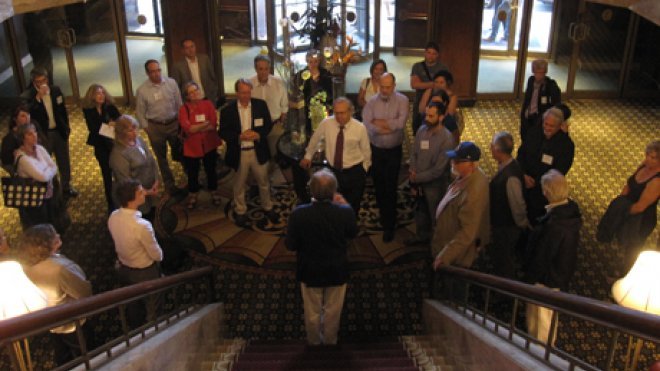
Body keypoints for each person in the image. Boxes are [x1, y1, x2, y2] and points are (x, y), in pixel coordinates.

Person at [285, 169, 358, 345]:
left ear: (311, 190)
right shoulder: (345, 212)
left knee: (312, 311)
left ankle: (314, 343)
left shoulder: (298, 214)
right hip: (337, 268)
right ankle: (330, 342)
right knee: (333, 311)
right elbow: (353, 233)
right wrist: (345, 205)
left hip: (309, 269)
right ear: (334, 191)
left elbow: (290, 245)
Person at [17, 223, 93, 364]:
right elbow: (84, 293)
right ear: (45, 245)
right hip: (71, 321)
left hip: (49, 319)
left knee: (61, 351)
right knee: (84, 350)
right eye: (54, 236)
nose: (58, 236)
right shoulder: (61, 269)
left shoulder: (25, 266)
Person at [524, 170, 582, 345]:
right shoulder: (569, 212)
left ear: (546, 192)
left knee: (542, 318)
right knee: (546, 316)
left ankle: (540, 352)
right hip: (559, 273)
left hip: (547, 279)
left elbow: (543, 256)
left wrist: (530, 277)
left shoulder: (555, 226)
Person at [219, 79, 276, 227]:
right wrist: (239, 137)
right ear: (237, 93)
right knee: (239, 185)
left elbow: (268, 125)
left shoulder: (260, 105)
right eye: (243, 92)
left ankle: (267, 206)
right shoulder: (228, 110)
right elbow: (223, 132)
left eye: (248, 92)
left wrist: (258, 135)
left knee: (263, 181)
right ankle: (241, 210)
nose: (246, 95)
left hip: (258, 151)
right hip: (240, 153)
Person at [301, 97, 371, 216]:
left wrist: (364, 169)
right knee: (333, 203)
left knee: (353, 204)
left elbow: (366, 151)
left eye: (342, 113)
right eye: (336, 113)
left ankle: (351, 226)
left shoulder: (360, 128)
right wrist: (308, 156)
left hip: (354, 171)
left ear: (350, 111)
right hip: (333, 171)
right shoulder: (326, 123)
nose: (339, 116)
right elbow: (315, 139)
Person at [108, 179, 164, 328]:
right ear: (132, 199)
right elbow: (155, 253)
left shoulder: (113, 216)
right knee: (153, 305)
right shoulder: (142, 226)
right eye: (140, 192)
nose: (144, 193)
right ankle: (154, 330)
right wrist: (160, 258)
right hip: (144, 271)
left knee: (133, 302)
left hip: (124, 266)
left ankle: (135, 329)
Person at [597, 140, 659, 273]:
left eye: (653, 157)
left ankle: (626, 275)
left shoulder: (657, 181)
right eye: (647, 154)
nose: (648, 159)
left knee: (632, 249)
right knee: (625, 243)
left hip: (641, 219)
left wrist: (620, 213)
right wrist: (619, 201)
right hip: (628, 210)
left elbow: (640, 207)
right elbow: (630, 184)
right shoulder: (644, 165)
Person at [362, 73, 409, 242]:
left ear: (394, 86)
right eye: (382, 86)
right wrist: (388, 125)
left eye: (388, 87)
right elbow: (367, 123)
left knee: (391, 187)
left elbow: (400, 124)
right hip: (376, 150)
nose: (385, 90)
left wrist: (380, 122)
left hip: (394, 151)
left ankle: (389, 224)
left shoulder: (403, 100)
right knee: (379, 185)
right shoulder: (372, 102)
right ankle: (384, 213)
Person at [432, 142, 490, 270]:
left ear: (471, 165)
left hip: (457, 256)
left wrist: (445, 256)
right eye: (453, 158)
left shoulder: (473, 192)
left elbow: (467, 233)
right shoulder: (467, 174)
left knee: (454, 286)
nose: (453, 162)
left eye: (458, 161)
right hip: (447, 237)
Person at [21, 67, 78, 197]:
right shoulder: (28, 96)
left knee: (64, 161)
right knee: (45, 163)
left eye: (44, 80)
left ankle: (66, 187)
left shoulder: (55, 90)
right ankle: (52, 190)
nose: (42, 83)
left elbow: (62, 110)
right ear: (34, 82)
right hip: (43, 135)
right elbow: (28, 113)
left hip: (59, 131)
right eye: (39, 81)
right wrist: (38, 98)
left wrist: (66, 128)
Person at [406, 102, 455, 247]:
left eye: (431, 116)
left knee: (435, 215)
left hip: (435, 187)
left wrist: (416, 177)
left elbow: (438, 170)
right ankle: (421, 236)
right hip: (418, 181)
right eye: (426, 114)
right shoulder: (422, 130)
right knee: (420, 211)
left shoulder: (447, 139)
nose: (427, 118)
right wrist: (413, 170)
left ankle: (435, 246)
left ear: (441, 117)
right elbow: (414, 153)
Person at [517, 107, 574, 224]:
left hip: (543, 193)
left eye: (551, 126)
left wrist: (536, 182)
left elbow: (559, 171)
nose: (547, 128)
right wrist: (523, 174)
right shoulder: (534, 133)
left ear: (560, 126)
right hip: (524, 182)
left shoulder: (566, 146)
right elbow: (521, 153)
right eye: (545, 124)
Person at [135, 59, 183, 196]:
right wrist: (147, 129)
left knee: (180, 151)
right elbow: (140, 112)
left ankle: (188, 176)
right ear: (147, 73)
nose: (156, 74)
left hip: (174, 124)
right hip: (155, 127)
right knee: (161, 158)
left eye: (158, 70)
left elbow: (179, 104)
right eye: (153, 72)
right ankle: (170, 184)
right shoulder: (142, 90)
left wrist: (181, 122)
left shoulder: (171, 83)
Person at [489, 132, 530, 279]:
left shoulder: (510, 177)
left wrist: (522, 224)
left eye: (492, 146)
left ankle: (504, 293)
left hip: (507, 226)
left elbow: (517, 204)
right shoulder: (509, 166)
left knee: (505, 259)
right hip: (504, 224)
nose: (490, 148)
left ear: (498, 150)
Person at [14, 123, 69, 233]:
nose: (34, 135)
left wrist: (46, 171)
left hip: (48, 194)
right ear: (22, 138)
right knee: (40, 227)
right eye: (29, 134)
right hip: (35, 199)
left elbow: (53, 167)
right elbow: (43, 177)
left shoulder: (39, 148)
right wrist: (47, 171)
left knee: (52, 223)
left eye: (34, 132)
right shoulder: (23, 158)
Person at [178, 82, 223, 209]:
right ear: (187, 96)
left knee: (211, 169)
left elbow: (213, 124)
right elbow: (188, 129)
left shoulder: (208, 104)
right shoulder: (184, 109)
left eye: (196, 90)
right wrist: (203, 125)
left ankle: (214, 191)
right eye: (191, 92)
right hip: (192, 147)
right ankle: (193, 193)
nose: (195, 94)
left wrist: (196, 127)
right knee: (193, 172)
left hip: (209, 143)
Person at [109, 115, 160, 219]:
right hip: (136, 196)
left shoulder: (139, 140)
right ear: (121, 133)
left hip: (151, 188)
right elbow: (126, 182)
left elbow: (151, 159)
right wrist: (145, 192)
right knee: (144, 219)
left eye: (135, 128)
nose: (134, 132)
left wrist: (157, 180)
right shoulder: (118, 154)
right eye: (129, 130)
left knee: (154, 214)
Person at [82, 84, 121, 213]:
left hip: (114, 145)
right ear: (92, 96)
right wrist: (108, 125)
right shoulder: (88, 110)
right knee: (106, 174)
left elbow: (120, 122)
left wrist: (107, 126)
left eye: (103, 93)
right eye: (98, 93)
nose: (101, 96)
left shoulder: (109, 107)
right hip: (101, 146)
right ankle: (111, 203)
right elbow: (93, 129)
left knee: (120, 172)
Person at [249, 54, 288, 170]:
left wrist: (282, 118)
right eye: (260, 69)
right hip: (255, 127)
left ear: (270, 68)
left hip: (274, 125)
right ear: (256, 69)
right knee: (258, 158)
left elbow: (284, 104)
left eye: (266, 69)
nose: (264, 72)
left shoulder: (278, 83)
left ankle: (270, 181)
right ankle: (260, 181)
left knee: (275, 155)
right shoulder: (249, 83)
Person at [410, 42, 449, 134]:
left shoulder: (443, 68)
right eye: (429, 52)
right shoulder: (417, 66)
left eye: (434, 53)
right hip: (419, 102)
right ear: (425, 53)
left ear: (438, 55)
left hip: (438, 102)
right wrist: (433, 84)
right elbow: (414, 85)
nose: (430, 56)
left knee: (437, 129)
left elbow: (444, 86)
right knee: (418, 128)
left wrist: (423, 84)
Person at [520, 59, 561, 140]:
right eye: (536, 72)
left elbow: (557, 104)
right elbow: (527, 99)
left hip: (539, 119)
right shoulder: (531, 80)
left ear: (545, 72)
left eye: (541, 73)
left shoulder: (550, 85)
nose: (538, 76)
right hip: (527, 116)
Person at [170, 38, 219, 106]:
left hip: (207, 99)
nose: (190, 50)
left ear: (195, 47)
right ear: (183, 50)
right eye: (187, 48)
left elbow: (213, 78)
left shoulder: (205, 59)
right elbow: (176, 87)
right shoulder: (177, 66)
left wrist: (214, 94)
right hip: (190, 102)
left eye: (192, 46)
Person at [295, 49, 333, 133]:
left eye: (315, 61)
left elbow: (330, 92)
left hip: (323, 110)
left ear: (319, 61)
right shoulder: (300, 76)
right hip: (306, 111)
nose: (313, 64)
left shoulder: (326, 74)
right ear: (307, 61)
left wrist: (327, 106)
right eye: (310, 62)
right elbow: (297, 94)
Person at [1, 104, 48, 173]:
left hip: (40, 165)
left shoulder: (35, 126)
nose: (27, 118)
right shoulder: (9, 139)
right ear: (15, 119)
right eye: (23, 116)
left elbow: (44, 143)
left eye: (28, 114)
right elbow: (6, 162)